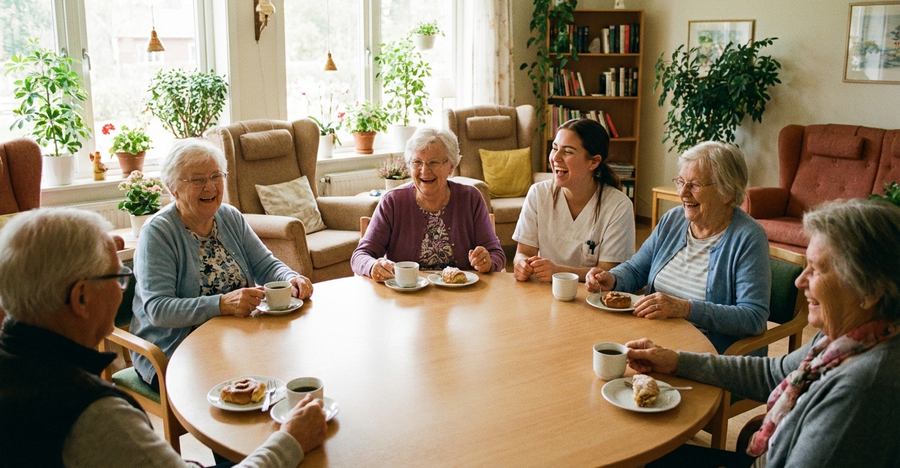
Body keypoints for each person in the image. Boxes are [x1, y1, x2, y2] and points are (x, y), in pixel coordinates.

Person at [0, 209, 327, 467]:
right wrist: (290, 440)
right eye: (119, 278)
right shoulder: (93, 417)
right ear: (81, 298)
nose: (124, 291)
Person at [628, 198, 900, 468]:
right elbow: (772, 374)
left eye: (817, 270)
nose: (799, 280)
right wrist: (675, 361)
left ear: (870, 292)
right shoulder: (849, 339)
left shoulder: (861, 388)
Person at [130, 139, 314, 390]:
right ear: (173, 188)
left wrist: (291, 278)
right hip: (177, 349)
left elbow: (267, 265)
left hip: (238, 336)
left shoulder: (230, 217)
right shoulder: (158, 232)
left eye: (216, 175)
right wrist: (221, 305)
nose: (210, 186)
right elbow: (159, 309)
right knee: (258, 380)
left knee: (297, 358)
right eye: (197, 179)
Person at [586, 141, 770, 354]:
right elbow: (637, 269)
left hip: (707, 354)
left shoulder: (748, 238)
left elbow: (753, 317)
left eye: (694, 185)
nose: (682, 193)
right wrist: (613, 278)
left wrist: (685, 308)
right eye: (680, 182)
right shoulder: (673, 220)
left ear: (727, 191)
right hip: (654, 337)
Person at [351, 127, 505, 281]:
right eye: (417, 162)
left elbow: (496, 254)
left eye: (433, 162)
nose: (424, 171)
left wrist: (487, 261)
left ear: (451, 166)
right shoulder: (392, 202)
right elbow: (360, 255)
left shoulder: (471, 198)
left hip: (461, 296)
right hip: (407, 297)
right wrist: (373, 266)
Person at [513, 118, 634, 282]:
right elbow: (524, 252)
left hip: (591, 298)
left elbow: (608, 273)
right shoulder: (538, 193)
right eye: (554, 148)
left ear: (594, 161)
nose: (555, 158)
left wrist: (558, 272)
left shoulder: (618, 206)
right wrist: (521, 264)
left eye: (568, 151)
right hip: (542, 292)